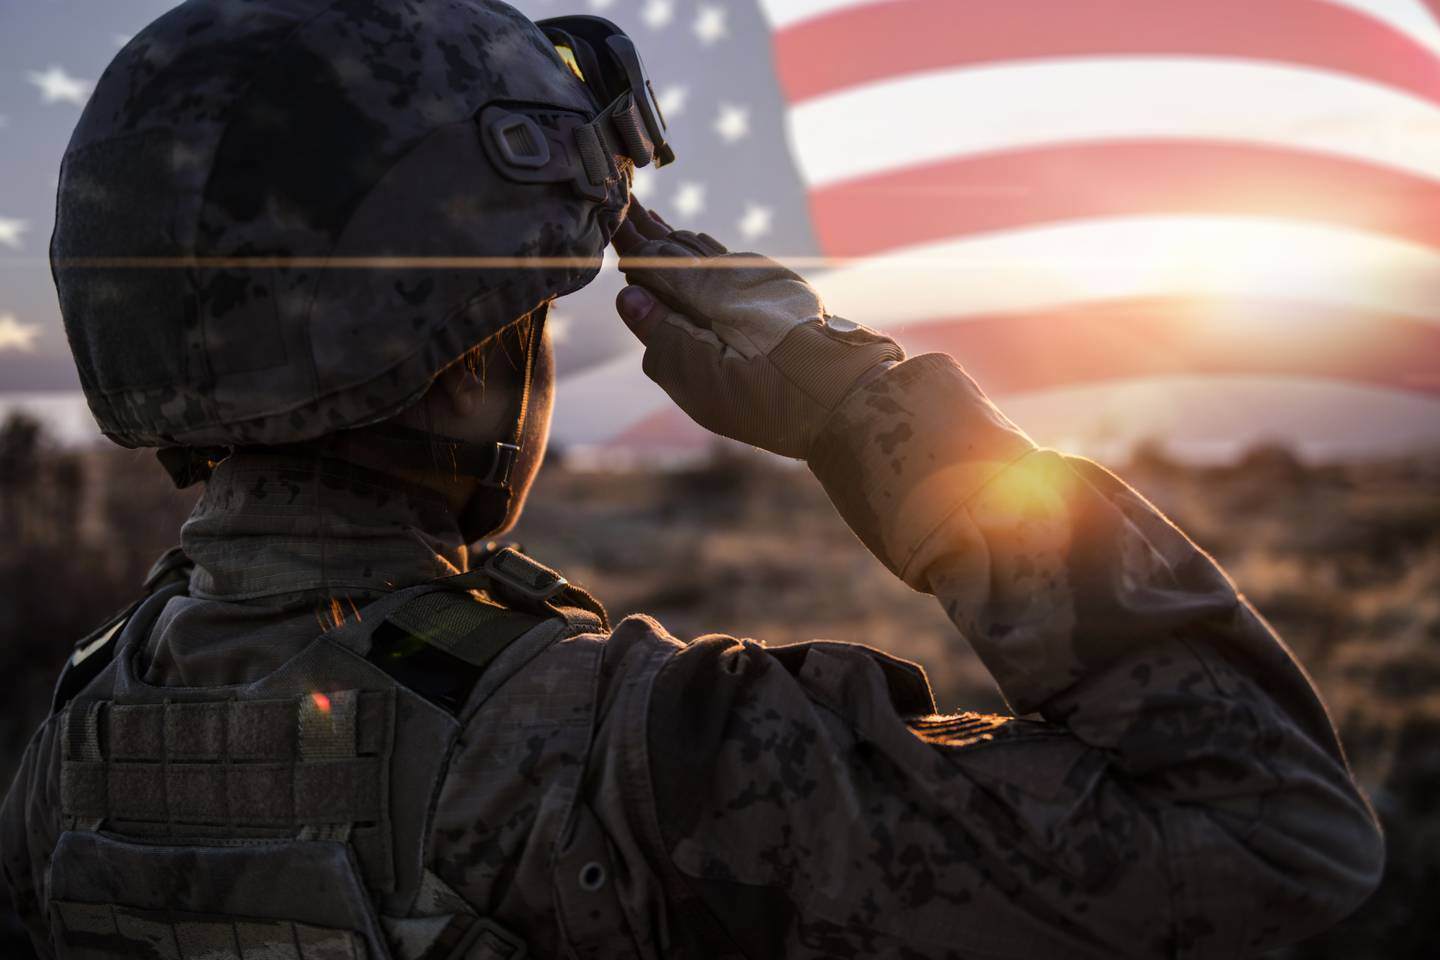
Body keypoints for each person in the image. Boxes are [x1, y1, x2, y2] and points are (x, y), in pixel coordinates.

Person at [2, 1, 1383, 958]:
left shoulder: (73, 743)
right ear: (462, 353)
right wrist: (852, 394)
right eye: (532, 316)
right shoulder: (639, 758)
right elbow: (1274, 830)